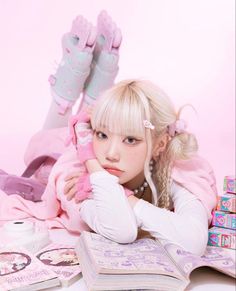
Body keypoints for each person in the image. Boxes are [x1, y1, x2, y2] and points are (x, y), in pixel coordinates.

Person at [0, 11, 217, 256]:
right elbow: (121, 230)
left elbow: (194, 240)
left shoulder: (179, 171)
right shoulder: (76, 176)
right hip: (56, 151)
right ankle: (66, 86)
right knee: (37, 148)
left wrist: (128, 199)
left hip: (88, 138)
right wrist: (91, 161)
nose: (111, 154)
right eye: (102, 135)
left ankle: (93, 81)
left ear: (160, 145)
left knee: (100, 122)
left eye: (131, 140)